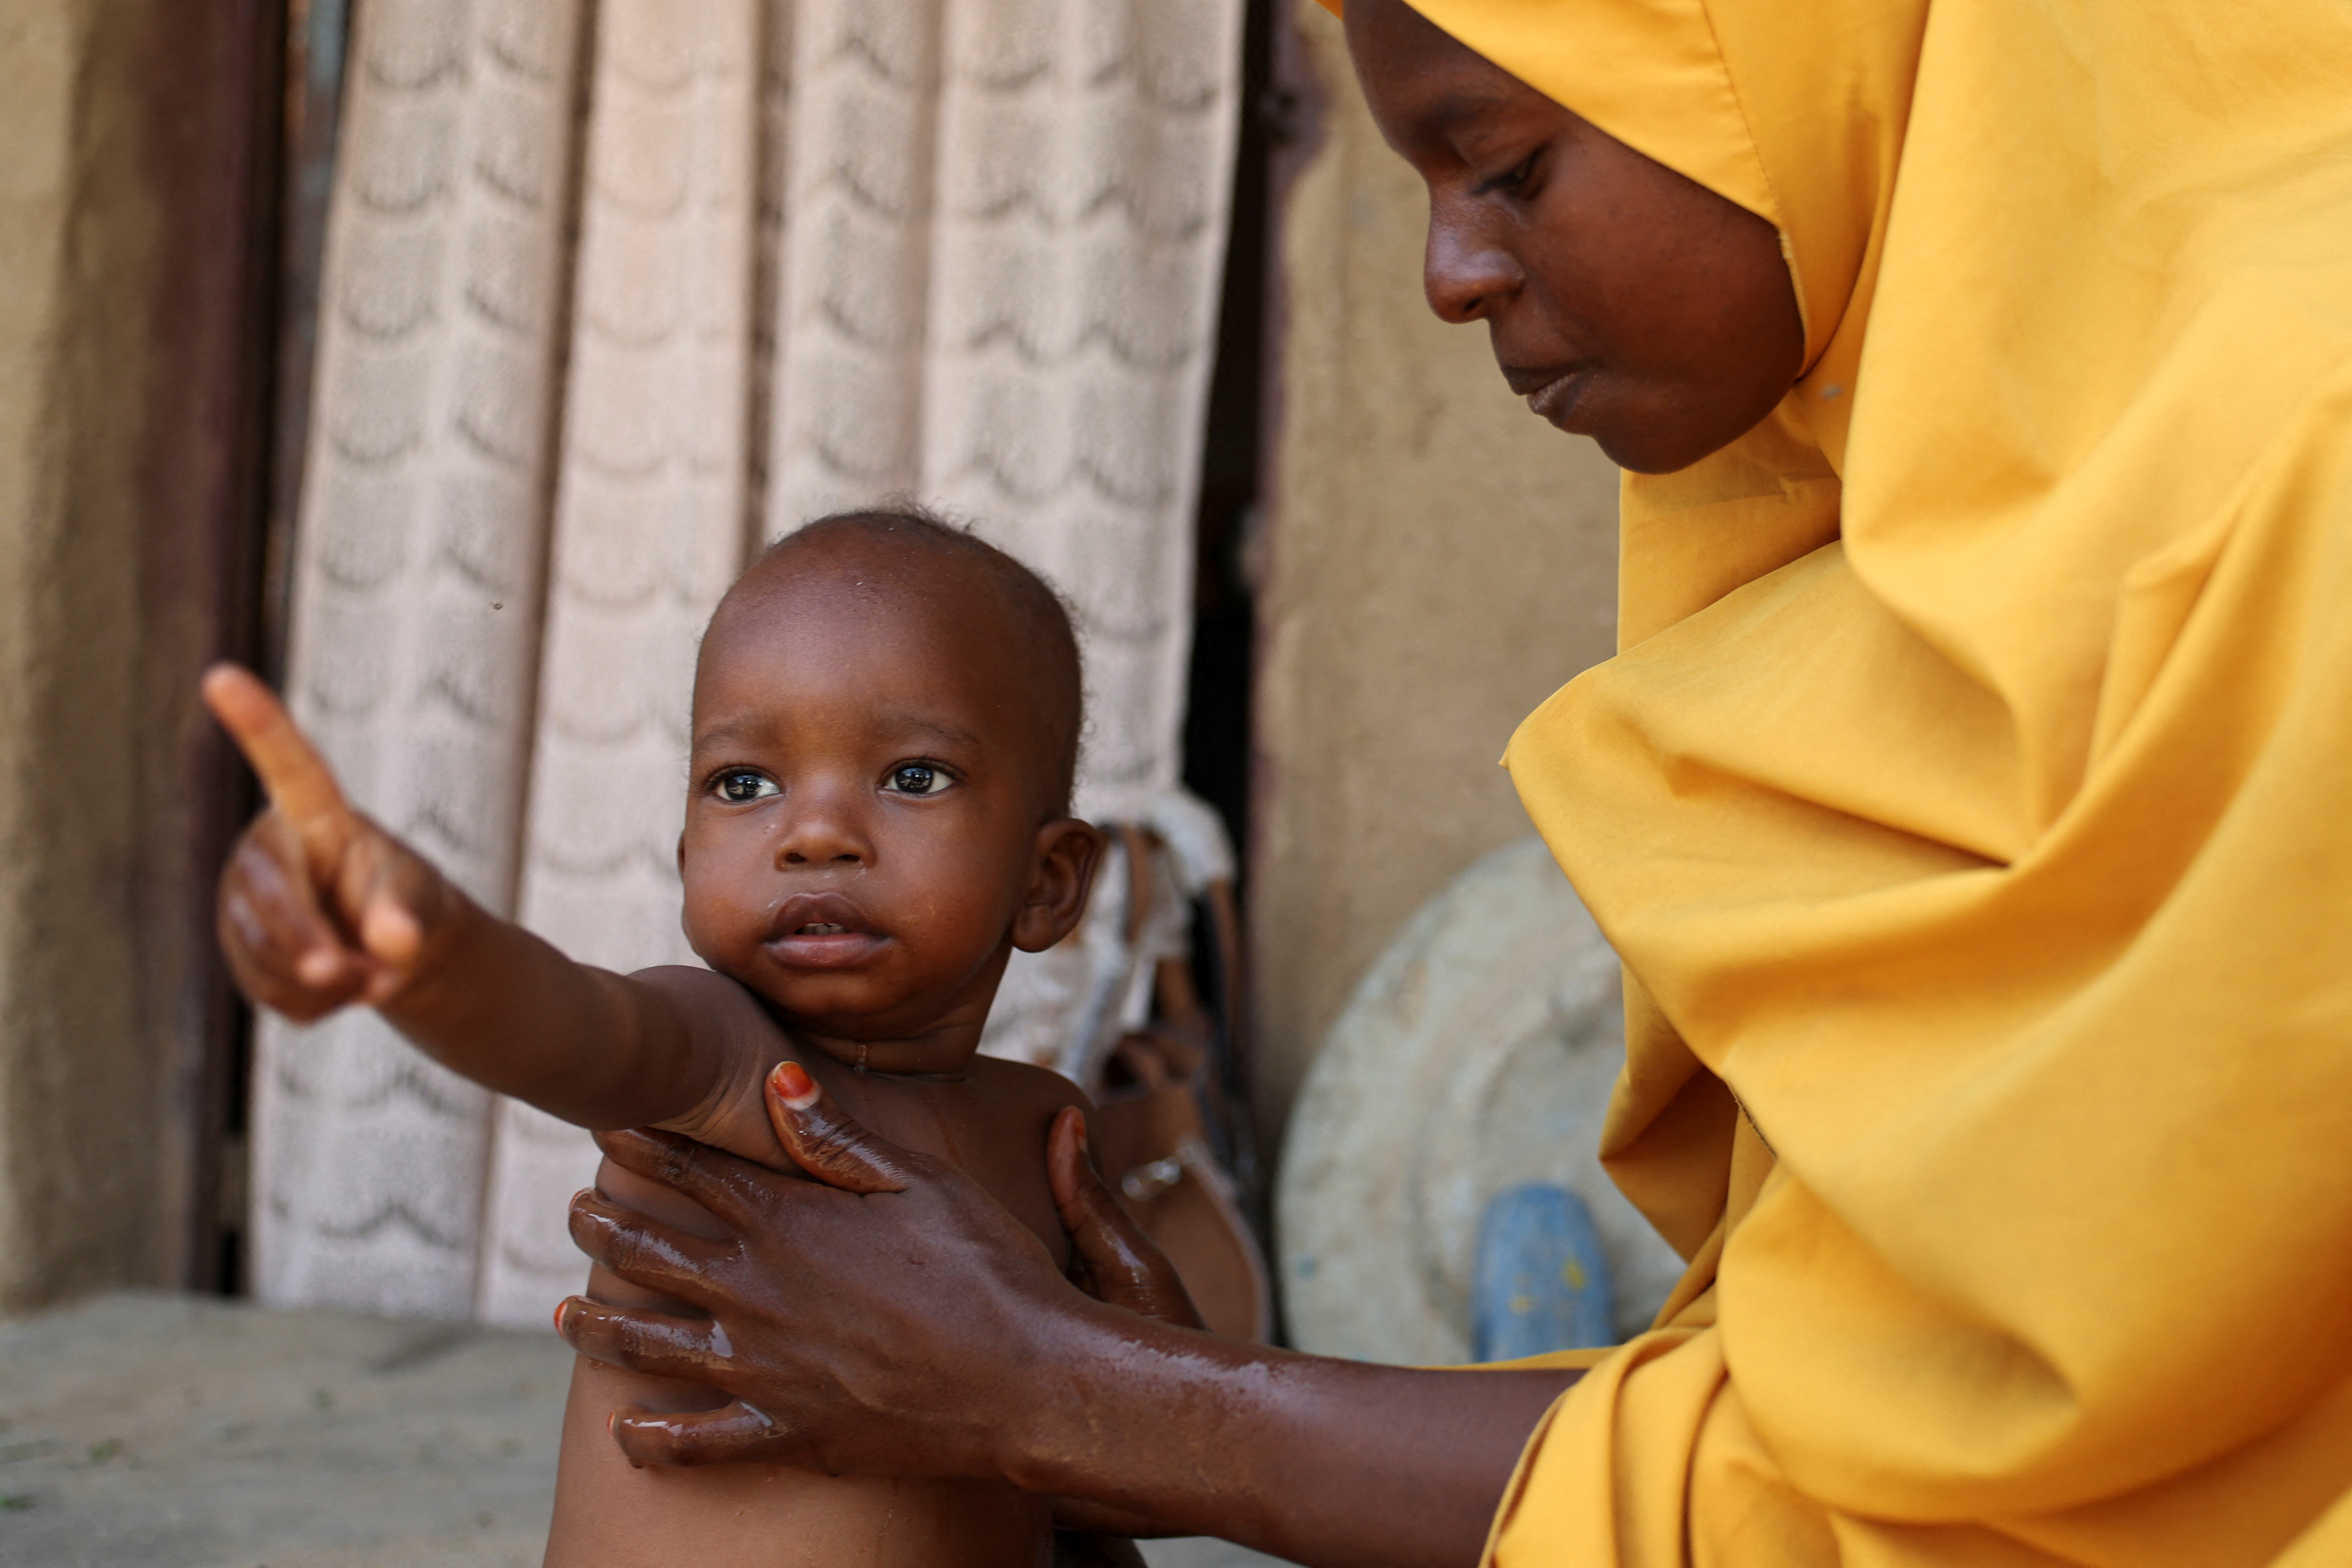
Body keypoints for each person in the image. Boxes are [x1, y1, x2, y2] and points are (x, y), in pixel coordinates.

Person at [544, 0, 2352, 1564]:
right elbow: (1914, 1419)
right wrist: (1122, 1395)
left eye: (1502, 163)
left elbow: (2011, 1504)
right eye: (736, 785)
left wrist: (1080, 1397)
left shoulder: (2292, 468)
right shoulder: (2028, 437)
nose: (1448, 275)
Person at [206, 508, 1164, 1566]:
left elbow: (1071, 1491)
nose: (814, 834)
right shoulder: (726, 1063)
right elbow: (570, 1026)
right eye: (744, 784)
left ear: (1047, 882)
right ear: (683, 852)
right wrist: (428, 949)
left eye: (913, 776)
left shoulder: (1048, 1130)